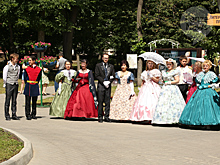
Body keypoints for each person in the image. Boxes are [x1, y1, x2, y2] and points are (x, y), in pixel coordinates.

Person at [179, 60, 220, 128]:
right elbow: (197, 81)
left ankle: (208, 123)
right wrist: (199, 85)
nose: (205, 67)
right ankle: (197, 122)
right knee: (196, 106)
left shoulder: (211, 74)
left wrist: (208, 86)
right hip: (200, 91)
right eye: (204, 66)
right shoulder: (201, 74)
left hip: (208, 91)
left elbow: (215, 82)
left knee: (208, 106)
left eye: (206, 66)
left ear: (209, 67)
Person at [152, 58, 186, 124]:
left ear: (172, 65)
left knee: (173, 102)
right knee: (163, 103)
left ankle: (174, 119)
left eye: (170, 64)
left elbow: (177, 80)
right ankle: (162, 119)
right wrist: (161, 81)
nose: (168, 65)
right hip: (165, 89)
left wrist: (169, 82)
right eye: (167, 64)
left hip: (173, 88)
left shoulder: (175, 71)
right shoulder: (164, 72)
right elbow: (162, 80)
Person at [95, 53, 115, 123]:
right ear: (102, 58)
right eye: (105, 58)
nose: (106, 59)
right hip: (101, 85)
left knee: (107, 102)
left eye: (107, 58)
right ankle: (100, 116)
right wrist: (103, 82)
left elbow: (113, 75)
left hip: (108, 86)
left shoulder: (111, 66)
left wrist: (109, 82)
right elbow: (97, 75)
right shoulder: (98, 65)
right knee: (100, 101)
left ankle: (107, 116)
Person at [23, 56, 42, 120]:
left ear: (34, 61)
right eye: (28, 60)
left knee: (34, 101)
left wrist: (36, 82)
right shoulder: (26, 69)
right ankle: (27, 114)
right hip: (28, 85)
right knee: (27, 101)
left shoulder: (39, 69)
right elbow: (25, 77)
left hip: (35, 85)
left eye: (30, 60)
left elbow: (39, 77)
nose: (29, 62)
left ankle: (33, 114)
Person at [3, 53, 20, 120]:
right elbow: (4, 76)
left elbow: (18, 75)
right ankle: (7, 115)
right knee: (8, 100)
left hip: (15, 84)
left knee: (14, 100)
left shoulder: (18, 67)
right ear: (12, 59)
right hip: (9, 84)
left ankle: (14, 114)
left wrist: (15, 81)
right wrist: (6, 83)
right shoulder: (7, 66)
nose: (17, 60)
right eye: (16, 59)